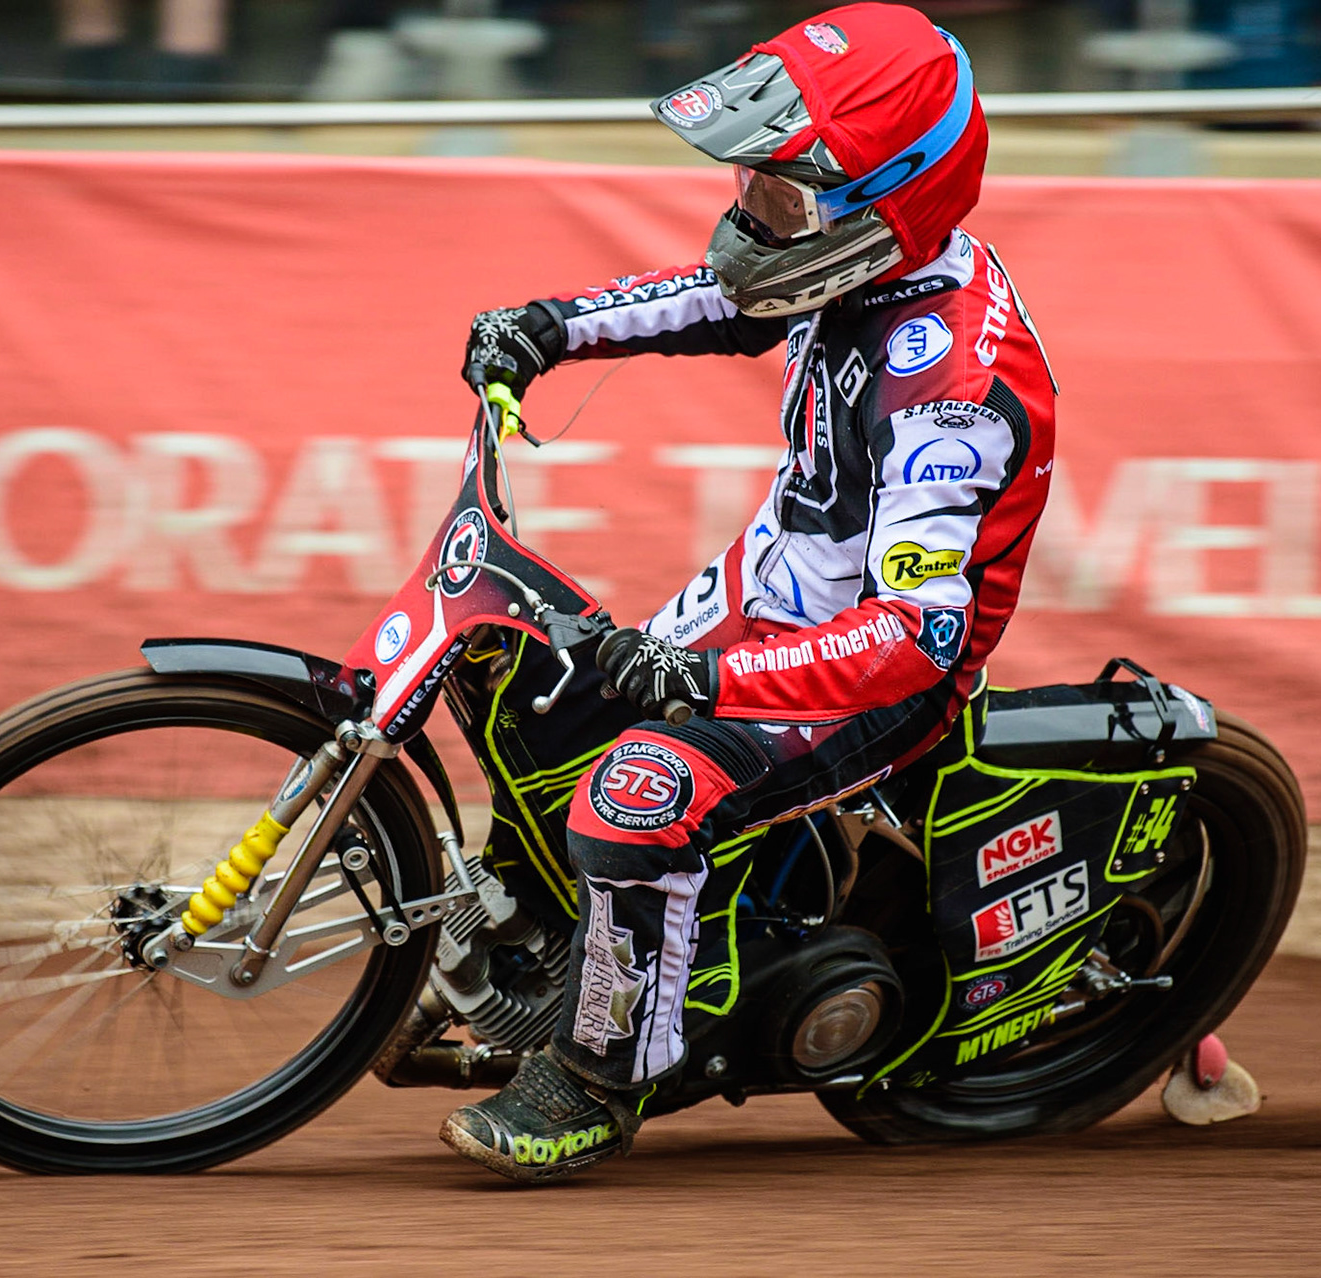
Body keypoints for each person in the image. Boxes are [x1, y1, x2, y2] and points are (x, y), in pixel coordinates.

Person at [443, 1, 1058, 1184]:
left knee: (639, 794)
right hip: (761, 596)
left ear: (895, 197)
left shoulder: (953, 396)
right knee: (539, 698)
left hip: (863, 674)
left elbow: (910, 641)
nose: (748, 214)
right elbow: (722, 299)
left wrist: (704, 676)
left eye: (780, 195)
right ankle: (543, 956)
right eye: (753, 183)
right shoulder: (855, 258)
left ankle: (602, 1076)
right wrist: (547, 328)